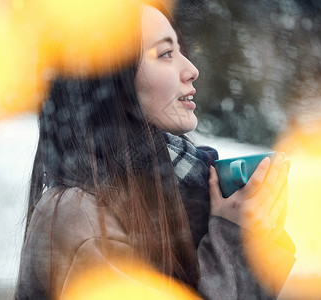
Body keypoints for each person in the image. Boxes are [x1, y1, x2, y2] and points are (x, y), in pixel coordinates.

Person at [15, 1, 295, 299]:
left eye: (179, 50)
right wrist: (232, 240)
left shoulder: (165, 191)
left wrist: (254, 233)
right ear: (112, 80)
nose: (191, 70)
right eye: (165, 54)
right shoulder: (82, 215)